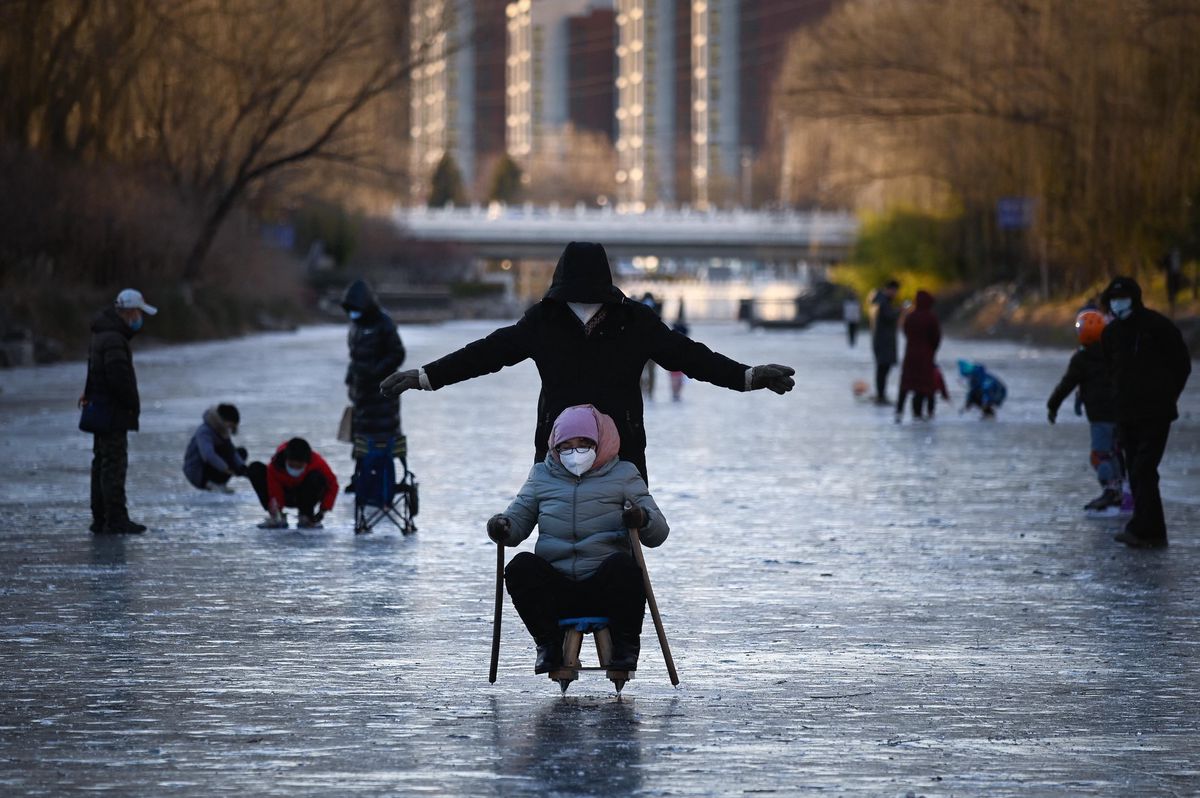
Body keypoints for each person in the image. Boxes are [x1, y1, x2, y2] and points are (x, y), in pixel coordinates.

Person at [380, 241, 795, 482]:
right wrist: (747, 376)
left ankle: (557, 613)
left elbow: (485, 354)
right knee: (625, 547)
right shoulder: (634, 320)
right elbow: (692, 357)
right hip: (623, 453)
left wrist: (425, 376)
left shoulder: (544, 321)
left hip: (558, 450)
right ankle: (623, 613)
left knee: (556, 541)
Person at [487, 405, 668, 674]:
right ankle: (547, 644)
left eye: (584, 444)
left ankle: (625, 646)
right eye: (567, 446)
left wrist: (641, 518)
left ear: (599, 442)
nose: (575, 453)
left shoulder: (624, 474)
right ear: (555, 447)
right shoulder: (541, 476)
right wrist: (501, 526)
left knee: (625, 568)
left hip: (604, 587)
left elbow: (659, 533)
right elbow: (517, 521)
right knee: (520, 567)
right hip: (556, 589)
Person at [1100, 276, 1191, 548]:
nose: (1118, 303)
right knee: (1137, 470)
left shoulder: (1157, 326)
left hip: (1155, 413)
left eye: (1122, 298)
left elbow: (1182, 364)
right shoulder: (1111, 334)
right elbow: (1110, 371)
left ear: (1135, 298)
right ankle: (1150, 529)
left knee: (1144, 468)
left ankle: (1145, 528)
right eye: (1113, 299)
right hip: (1126, 414)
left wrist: (1168, 395)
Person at [80, 289, 157, 535]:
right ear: (130, 312)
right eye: (139, 313)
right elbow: (118, 377)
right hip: (112, 412)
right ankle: (115, 519)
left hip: (101, 409)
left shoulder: (101, 333)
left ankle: (101, 518)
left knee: (101, 463)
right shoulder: (114, 338)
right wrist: (132, 404)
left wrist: (88, 393)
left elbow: (93, 369)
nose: (140, 319)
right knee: (113, 465)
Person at [1046, 310, 1124, 513]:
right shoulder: (1115, 353)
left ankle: (1112, 491)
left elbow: (1066, 384)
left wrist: (1052, 405)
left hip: (1100, 416)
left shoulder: (1082, 358)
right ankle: (1122, 490)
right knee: (1116, 452)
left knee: (1100, 455)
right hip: (1122, 412)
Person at [342, 279, 406, 488]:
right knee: (361, 437)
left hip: (383, 393)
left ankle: (386, 482)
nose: (354, 314)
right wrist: (351, 377)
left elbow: (397, 353)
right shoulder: (355, 326)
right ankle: (361, 478)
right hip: (361, 393)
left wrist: (376, 372)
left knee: (384, 437)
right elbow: (354, 356)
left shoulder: (384, 323)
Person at [247, 438, 339, 529]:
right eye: (291, 465)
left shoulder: (318, 462)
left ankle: (306, 515)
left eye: (299, 466)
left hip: (306, 495)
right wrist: (276, 509)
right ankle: (277, 516)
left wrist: (322, 511)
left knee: (317, 477)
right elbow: (274, 489)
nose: (295, 469)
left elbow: (333, 485)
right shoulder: (275, 465)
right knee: (256, 469)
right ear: (286, 460)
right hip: (285, 495)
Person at [895, 290, 941, 422]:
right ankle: (918, 413)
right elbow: (936, 337)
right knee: (923, 385)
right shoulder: (931, 318)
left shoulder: (910, 317)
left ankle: (899, 411)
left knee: (906, 384)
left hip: (910, 355)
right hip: (926, 356)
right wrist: (932, 350)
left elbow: (905, 331)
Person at [182, 404, 248, 493]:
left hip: (212, 467)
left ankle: (220, 483)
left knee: (240, 453)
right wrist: (226, 468)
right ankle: (211, 483)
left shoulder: (222, 430)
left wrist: (243, 468)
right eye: (230, 426)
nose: (230, 429)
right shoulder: (204, 431)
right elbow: (208, 455)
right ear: (224, 420)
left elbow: (231, 451)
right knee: (222, 453)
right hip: (197, 472)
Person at [870, 280, 901, 404]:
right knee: (883, 368)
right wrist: (900, 310)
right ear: (889, 289)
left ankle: (881, 394)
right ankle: (881, 395)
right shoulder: (883, 302)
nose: (896, 294)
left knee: (882, 369)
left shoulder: (880, 300)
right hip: (883, 341)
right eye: (895, 291)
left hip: (881, 340)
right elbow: (889, 316)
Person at [669, 300, 689, 401]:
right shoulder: (678, 328)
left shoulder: (679, 328)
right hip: (676, 354)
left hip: (680, 354)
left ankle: (676, 393)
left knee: (678, 377)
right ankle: (675, 393)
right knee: (676, 377)